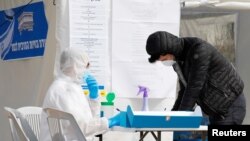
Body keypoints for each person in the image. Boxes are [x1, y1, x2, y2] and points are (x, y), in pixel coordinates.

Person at [145, 31, 246, 125]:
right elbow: (184, 90)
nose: (162, 61)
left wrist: (180, 119)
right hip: (216, 110)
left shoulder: (200, 49)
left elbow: (194, 88)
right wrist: (173, 116)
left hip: (231, 105)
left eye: (163, 58)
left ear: (168, 50)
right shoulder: (179, 60)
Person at [40, 47, 121, 141]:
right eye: (85, 66)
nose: (87, 70)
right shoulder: (61, 90)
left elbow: (89, 121)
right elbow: (80, 127)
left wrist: (93, 98)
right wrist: (110, 122)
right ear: (75, 65)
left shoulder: (73, 86)